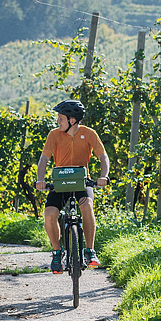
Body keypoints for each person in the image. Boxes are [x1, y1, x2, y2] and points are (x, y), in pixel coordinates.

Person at [36, 99, 110, 273]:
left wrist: (103, 176)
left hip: (82, 182)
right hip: (60, 182)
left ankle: (90, 251)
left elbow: (103, 157)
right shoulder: (53, 135)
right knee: (49, 214)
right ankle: (56, 252)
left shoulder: (89, 134)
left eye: (61, 118)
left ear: (72, 120)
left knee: (87, 206)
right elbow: (44, 159)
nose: (57, 121)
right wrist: (40, 179)